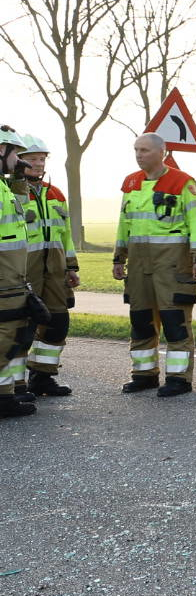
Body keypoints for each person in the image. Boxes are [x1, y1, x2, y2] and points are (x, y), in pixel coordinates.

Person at [113, 133, 196, 397]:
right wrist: (118, 257)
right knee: (141, 319)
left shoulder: (182, 181)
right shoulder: (130, 183)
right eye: (136, 149)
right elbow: (124, 224)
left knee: (175, 320)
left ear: (162, 152)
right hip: (139, 262)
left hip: (173, 263)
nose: (138, 154)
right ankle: (144, 375)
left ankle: (179, 379)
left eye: (144, 150)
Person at [19, 134, 78, 398]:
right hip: (21, 271)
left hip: (54, 272)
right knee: (20, 327)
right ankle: (13, 385)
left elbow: (65, 234)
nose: (39, 164)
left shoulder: (56, 194)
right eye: (32, 159)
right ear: (18, 161)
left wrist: (71, 266)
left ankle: (42, 377)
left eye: (42, 159)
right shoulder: (11, 194)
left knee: (57, 322)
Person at [0, 127, 42, 418]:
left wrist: (16, 179)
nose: (20, 160)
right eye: (16, 153)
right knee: (3, 337)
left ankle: (3, 397)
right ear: (1, 151)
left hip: (12, 277)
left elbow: (19, 212)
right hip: (3, 279)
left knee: (9, 336)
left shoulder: (3, 186)